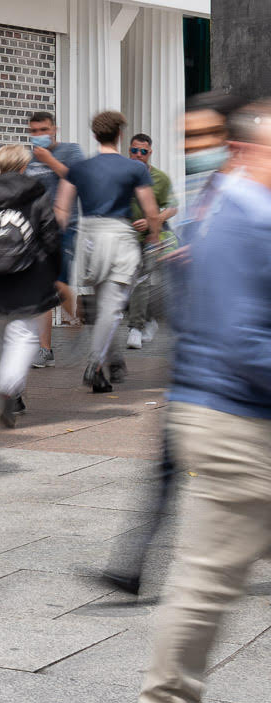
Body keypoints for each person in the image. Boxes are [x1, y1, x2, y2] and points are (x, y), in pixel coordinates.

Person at [136, 101, 271, 703]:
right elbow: (241, 338)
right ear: (249, 153)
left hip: (228, 411)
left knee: (208, 571)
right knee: (207, 575)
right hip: (232, 421)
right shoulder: (238, 220)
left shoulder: (233, 212)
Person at [94, 93, 244, 599]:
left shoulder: (249, 198)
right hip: (196, 366)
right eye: (188, 138)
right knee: (165, 471)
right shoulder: (207, 192)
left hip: (238, 370)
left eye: (204, 137)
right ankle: (132, 568)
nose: (195, 147)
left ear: (229, 140)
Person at [55, 110, 164, 393]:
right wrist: (154, 236)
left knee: (106, 304)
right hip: (118, 236)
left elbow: (62, 209)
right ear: (120, 135)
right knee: (113, 307)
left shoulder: (79, 169)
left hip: (88, 237)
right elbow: (151, 211)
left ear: (94, 135)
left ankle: (112, 364)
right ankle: (95, 362)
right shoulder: (135, 169)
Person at [0, 144, 62, 428]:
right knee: (26, 337)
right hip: (30, 276)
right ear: (23, 166)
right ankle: (8, 388)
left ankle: (15, 396)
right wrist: (53, 269)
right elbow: (50, 237)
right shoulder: (37, 194)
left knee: (9, 334)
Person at [22, 109, 85, 367]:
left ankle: (76, 318)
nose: (38, 136)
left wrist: (49, 160)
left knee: (57, 285)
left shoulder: (71, 151)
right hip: (36, 230)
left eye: (43, 130)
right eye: (34, 131)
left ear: (54, 130)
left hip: (64, 228)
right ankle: (45, 350)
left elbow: (80, 179)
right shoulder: (28, 158)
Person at [124, 132, 177, 349]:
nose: (138, 155)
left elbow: (172, 207)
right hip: (124, 237)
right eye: (134, 150)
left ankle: (135, 327)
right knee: (129, 282)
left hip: (151, 237)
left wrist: (151, 220)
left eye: (143, 151)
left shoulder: (161, 178)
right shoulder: (121, 175)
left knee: (142, 280)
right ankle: (148, 319)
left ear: (150, 153)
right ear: (129, 151)